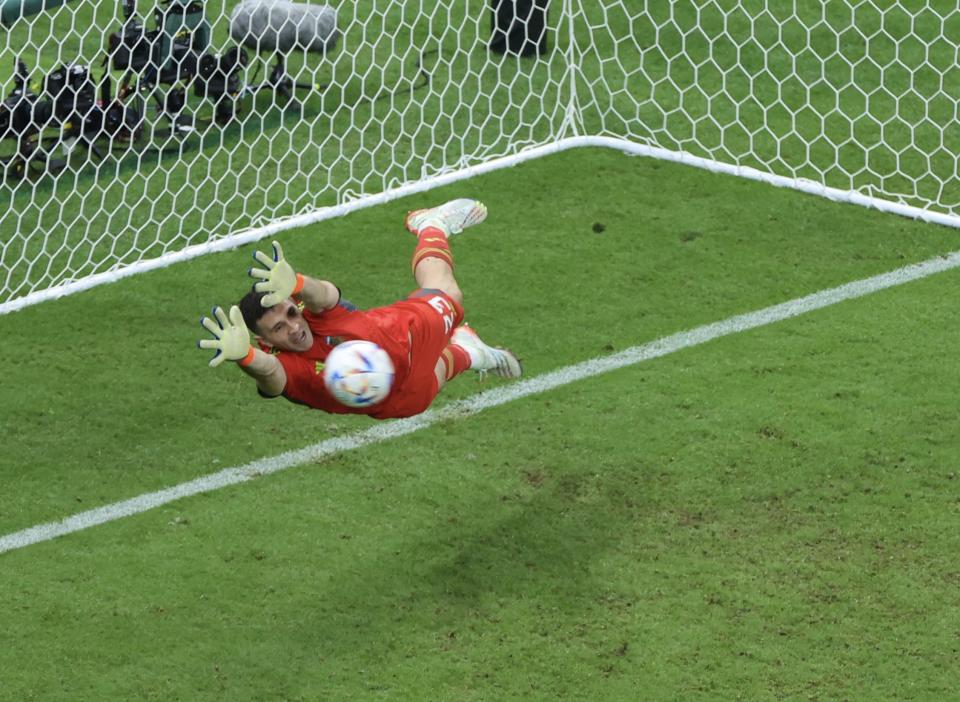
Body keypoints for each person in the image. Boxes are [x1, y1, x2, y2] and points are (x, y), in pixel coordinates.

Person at [197, 198, 522, 419]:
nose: (294, 327)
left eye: (290, 314)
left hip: (400, 334)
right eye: (279, 328)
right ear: (265, 342)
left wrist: (297, 283)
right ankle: (469, 351)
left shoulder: (314, 314)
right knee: (430, 382)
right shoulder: (289, 368)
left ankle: (431, 225)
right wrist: (245, 358)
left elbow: (324, 294)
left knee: (449, 293)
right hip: (394, 397)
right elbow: (269, 374)